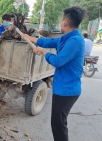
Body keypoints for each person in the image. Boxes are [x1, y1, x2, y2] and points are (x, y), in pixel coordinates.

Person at [21, 6, 85, 141]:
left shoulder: (75, 41)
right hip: (62, 88)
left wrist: (43, 52)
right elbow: (49, 41)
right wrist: (29, 38)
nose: (61, 22)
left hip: (67, 90)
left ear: (65, 22)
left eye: (62, 20)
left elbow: (58, 61)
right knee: (57, 123)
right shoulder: (66, 38)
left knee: (58, 125)